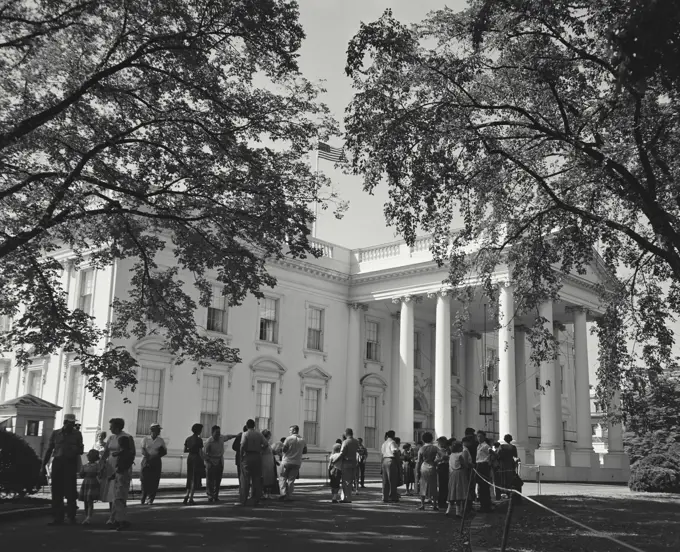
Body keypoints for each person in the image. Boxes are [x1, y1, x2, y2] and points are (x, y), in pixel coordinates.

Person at [42, 413, 84, 526]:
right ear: (65, 422)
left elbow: (81, 449)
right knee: (56, 491)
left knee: (71, 491)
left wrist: (74, 448)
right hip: (58, 462)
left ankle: (71, 517)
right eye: (71, 423)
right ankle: (57, 517)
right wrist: (43, 465)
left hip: (70, 463)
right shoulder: (56, 433)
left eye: (73, 423)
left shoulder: (77, 434)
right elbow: (49, 449)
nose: (73, 425)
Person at [100, 418, 135, 529]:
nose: (110, 428)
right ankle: (113, 516)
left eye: (112, 426)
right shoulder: (111, 438)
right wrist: (101, 465)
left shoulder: (127, 437)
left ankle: (118, 518)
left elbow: (131, 452)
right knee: (111, 493)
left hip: (121, 467)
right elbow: (106, 452)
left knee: (119, 494)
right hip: (110, 466)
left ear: (118, 426)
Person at [108, 429, 135, 530]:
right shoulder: (125, 453)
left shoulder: (125, 455)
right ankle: (118, 519)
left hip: (122, 477)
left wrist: (115, 473)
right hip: (122, 476)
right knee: (120, 499)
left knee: (118, 499)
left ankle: (121, 521)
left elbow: (121, 467)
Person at [204, 425, 238, 502]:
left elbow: (228, 437)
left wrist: (236, 436)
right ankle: (210, 495)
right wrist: (208, 463)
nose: (218, 434)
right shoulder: (209, 442)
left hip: (219, 461)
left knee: (218, 479)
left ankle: (216, 495)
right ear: (212, 433)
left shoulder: (221, 438)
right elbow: (205, 454)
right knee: (210, 480)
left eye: (219, 433)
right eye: (216, 433)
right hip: (211, 461)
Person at [239, 418, 268, 506]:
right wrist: (261, 450)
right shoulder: (259, 434)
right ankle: (256, 499)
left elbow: (243, 445)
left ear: (247, 426)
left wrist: (241, 456)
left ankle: (244, 499)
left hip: (248, 456)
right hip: (257, 456)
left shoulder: (245, 434)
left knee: (245, 478)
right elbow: (266, 444)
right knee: (256, 478)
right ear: (254, 425)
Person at [279, 424, 307, 502]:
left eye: (290, 430)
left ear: (294, 430)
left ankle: (283, 493)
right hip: (297, 462)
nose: (289, 432)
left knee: (282, 478)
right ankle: (289, 495)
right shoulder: (302, 440)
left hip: (287, 461)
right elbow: (305, 451)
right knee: (291, 480)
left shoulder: (288, 439)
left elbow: (284, 449)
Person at [141, 423, 167, 505]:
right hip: (146, 460)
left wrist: (157, 456)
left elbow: (164, 451)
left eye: (159, 430)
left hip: (156, 461)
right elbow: (143, 450)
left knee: (154, 480)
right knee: (144, 480)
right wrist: (148, 457)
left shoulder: (160, 440)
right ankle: (143, 497)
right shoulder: (145, 439)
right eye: (157, 429)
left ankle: (150, 498)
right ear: (152, 430)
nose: (159, 431)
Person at [446, 441, 472, 518]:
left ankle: (448, 509)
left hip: (453, 473)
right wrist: (469, 466)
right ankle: (458, 511)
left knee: (452, 491)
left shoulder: (451, 455)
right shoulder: (460, 455)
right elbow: (464, 464)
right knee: (459, 491)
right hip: (460, 473)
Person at [416, 432, 440, 511]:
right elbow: (443, 455)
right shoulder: (434, 448)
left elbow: (419, 461)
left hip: (424, 466)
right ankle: (435, 505)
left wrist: (417, 471)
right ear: (432, 439)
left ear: (423, 439)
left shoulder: (421, 448)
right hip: (432, 466)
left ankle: (422, 504)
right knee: (433, 485)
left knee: (423, 485)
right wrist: (436, 461)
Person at [183, 423, 204, 505]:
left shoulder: (188, 439)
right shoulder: (199, 440)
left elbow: (185, 450)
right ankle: (191, 497)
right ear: (198, 431)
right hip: (196, 458)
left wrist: (191, 449)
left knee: (189, 476)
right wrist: (203, 460)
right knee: (194, 478)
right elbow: (200, 452)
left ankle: (186, 495)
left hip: (190, 457)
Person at [78, 449, 101, 524]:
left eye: (90, 455)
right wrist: (82, 472)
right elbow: (81, 475)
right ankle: (86, 515)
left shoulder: (97, 466)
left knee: (90, 500)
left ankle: (88, 516)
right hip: (86, 483)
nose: (88, 457)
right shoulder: (85, 466)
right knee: (86, 500)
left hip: (92, 483)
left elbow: (99, 474)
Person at [475, 430, 495, 513]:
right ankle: (483, 505)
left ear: (484, 437)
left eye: (480, 436)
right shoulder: (478, 446)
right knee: (480, 487)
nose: (479, 438)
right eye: (478, 436)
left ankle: (486, 506)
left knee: (484, 487)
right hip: (479, 465)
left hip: (484, 465)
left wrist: (490, 461)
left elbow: (492, 453)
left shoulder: (485, 446)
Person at [339, 428, 359, 503]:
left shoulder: (345, 442)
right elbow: (359, 451)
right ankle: (347, 497)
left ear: (346, 434)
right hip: (354, 463)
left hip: (346, 463)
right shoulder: (356, 442)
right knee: (350, 481)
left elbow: (342, 453)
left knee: (346, 481)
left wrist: (336, 459)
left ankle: (347, 498)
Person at [496, 434, 519, 499]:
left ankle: (503, 493)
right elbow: (515, 456)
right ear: (511, 439)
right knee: (510, 480)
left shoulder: (501, 446)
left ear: (504, 439)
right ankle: (510, 493)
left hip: (502, 465)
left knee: (503, 479)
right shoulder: (513, 447)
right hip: (511, 465)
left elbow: (498, 455)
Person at [380, 430, 400, 503]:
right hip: (391, 460)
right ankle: (393, 496)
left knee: (385, 480)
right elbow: (394, 452)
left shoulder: (384, 443)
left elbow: (382, 455)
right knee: (392, 479)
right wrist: (398, 461)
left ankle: (385, 496)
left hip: (384, 460)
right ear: (393, 435)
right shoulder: (392, 442)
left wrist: (381, 464)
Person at [260, 429, 280, 499]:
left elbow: (270, 453)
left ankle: (267, 493)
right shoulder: (263, 443)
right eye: (269, 435)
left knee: (269, 478)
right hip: (265, 462)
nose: (270, 437)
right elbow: (261, 451)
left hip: (269, 462)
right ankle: (264, 493)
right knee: (265, 477)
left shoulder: (267, 443)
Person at [436, 436, 451, 508]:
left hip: (447, 466)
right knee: (442, 485)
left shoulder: (448, 450)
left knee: (446, 485)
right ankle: (441, 502)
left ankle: (444, 500)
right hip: (441, 466)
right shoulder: (438, 450)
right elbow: (436, 460)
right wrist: (442, 459)